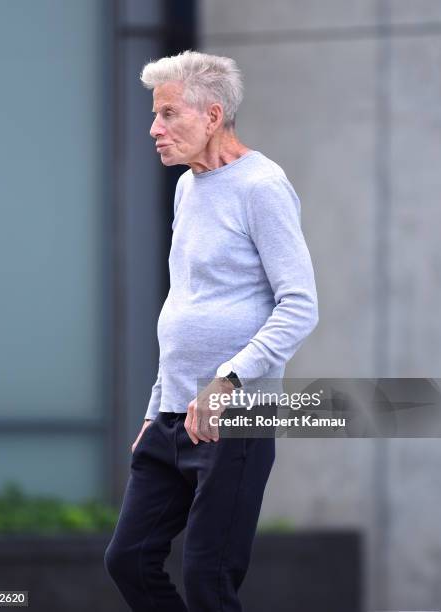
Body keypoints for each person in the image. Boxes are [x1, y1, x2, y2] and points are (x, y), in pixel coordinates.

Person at [104, 50, 319, 612]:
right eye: (156, 115)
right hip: (172, 416)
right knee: (128, 560)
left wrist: (228, 381)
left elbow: (299, 306)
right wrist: (156, 408)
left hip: (235, 418)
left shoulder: (262, 186)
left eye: (169, 114)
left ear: (213, 115)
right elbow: (184, 305)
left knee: (208, 582)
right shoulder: (187, 188)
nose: (155, 129)